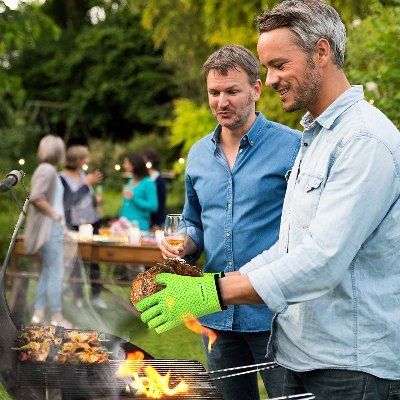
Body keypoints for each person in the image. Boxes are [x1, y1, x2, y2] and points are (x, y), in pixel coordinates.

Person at [137, 1, 400, 399]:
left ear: (321, 52)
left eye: (279, 64)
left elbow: (322, 260)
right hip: (306, 355)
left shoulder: (362, 140)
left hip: (351, 368)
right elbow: (290, 248)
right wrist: (212, 283)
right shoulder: (319, 138)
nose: (273, 79)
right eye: (267, 68)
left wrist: (213, 292)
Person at [157, 45, 301, 399]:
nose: (222, 101)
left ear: (255, 89)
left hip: (274, 315)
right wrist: (186, 242)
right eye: (214, 92)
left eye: (232, 91)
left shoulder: (294, 147)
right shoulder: (197, 155)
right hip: (215, 316)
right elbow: (194, 222)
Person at [24, 134, 74, 328]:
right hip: (49, 230)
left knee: (47, 271)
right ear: (58, 151)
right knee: (56, 272)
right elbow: (36, 197)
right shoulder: (46, 170)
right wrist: (56, 216)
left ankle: (37, 314)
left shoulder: (49, 170)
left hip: (53, 229)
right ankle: (56, 315)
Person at [60, 145, 106, 310]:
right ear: (78, 160)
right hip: (74, 225)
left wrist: (96, 201)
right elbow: (69, 201)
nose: (88, 161)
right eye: (85, 158)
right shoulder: (62, 178)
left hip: (92, 222)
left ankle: (95, 296)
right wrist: (87, 184)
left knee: (94, 261)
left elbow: (86, 200)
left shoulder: (83, 175)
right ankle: (78, 296)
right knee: (76, 262)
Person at [120, 152, 158, 231]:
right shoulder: (130, 181)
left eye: (126, 163)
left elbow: (154, 206)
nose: (124, 165)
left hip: (139, 227)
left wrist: (134, 198)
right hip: (124, 226)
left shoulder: (148, 183)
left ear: (135, 164)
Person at [141, 148, 167, 231]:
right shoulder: (142, 178)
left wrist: (157, 223)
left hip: (156, 221)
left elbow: (161, 203)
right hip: (143, 220)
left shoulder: (159, 180)